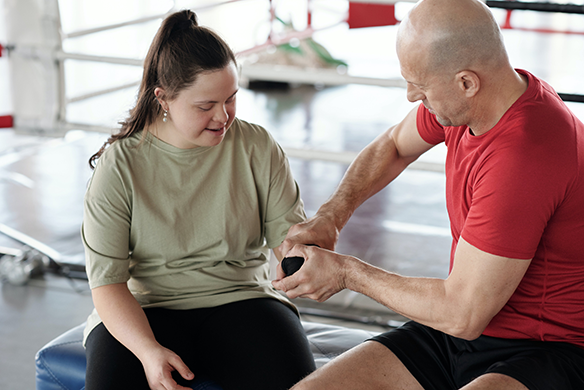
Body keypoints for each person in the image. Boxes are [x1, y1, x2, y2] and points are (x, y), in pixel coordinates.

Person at [273, 0, 584, 389]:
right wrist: (331, 216)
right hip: (460, 334)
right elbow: (394, 145)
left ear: (466, 82)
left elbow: (462, 313)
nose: (409, 96)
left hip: (548, 347)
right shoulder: (475, 103)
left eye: (419, 87)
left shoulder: (528, 153)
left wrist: (346, 272)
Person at [82, 10, 316, 390]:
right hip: (146, 308)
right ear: (164, 100)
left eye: (231, 99)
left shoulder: (256, 145)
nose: (223, 116)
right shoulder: (120, 165)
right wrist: (147, 351)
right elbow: (107, 284)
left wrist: (299, 264)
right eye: (205, 106)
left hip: (243, 299)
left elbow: (289, 241)